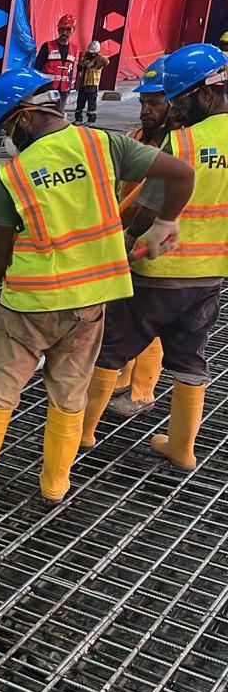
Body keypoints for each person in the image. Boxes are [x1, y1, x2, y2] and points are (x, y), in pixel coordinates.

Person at [0, 67, 193, 504]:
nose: (10, 139)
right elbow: (180, 173)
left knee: (0, 386)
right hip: (90, 300)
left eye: (8, 128)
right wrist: (166, 222)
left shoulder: (16, 174)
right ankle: (56, 483)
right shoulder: (103, 144)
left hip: (29, 304)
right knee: (71, 390)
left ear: (24, 117)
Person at [80, 43, 228, 469]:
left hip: (157, 269)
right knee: (191, 360)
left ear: (205, 93)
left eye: (178, 101)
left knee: (110, 349)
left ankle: (83, 432)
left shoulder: (185, 143)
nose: (174, 110)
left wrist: (123, 244)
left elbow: (147, 210)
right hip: (210, 276)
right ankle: (183, 448)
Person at [110, 55, 173, 417]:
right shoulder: (137, 138)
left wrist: (119, 229)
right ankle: (123, 375)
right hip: (129, 237)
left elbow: (143, 199)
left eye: (155, 103)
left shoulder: (177, 145)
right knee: (128, 315)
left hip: (154, 243)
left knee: (151, 322)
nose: (146, 110)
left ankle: (142, 391)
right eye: (144, 102)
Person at [34, 15, 79, 112]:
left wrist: (69, 88)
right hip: (47, 89)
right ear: (58, 30)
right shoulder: (48, 46)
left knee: (58, 116)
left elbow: (71, 70)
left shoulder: (74, 49)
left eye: (68, 30)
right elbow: (37, 68)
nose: (64, 32)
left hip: (64, 90)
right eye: (62, 29)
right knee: (45, 115)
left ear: (73, 30)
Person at [73, 41, 110, 125]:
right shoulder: (85, 57)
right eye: (91, 52)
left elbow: (106, 62)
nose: (92, 54)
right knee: (80, 103)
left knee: (91, 104)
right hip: (83, 84)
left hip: (93, 84)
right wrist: (83, 65)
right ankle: (78, 119)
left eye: (94, 52)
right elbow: (79, 67)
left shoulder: (100, 58)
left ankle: (91, 120)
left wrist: (94, 65)